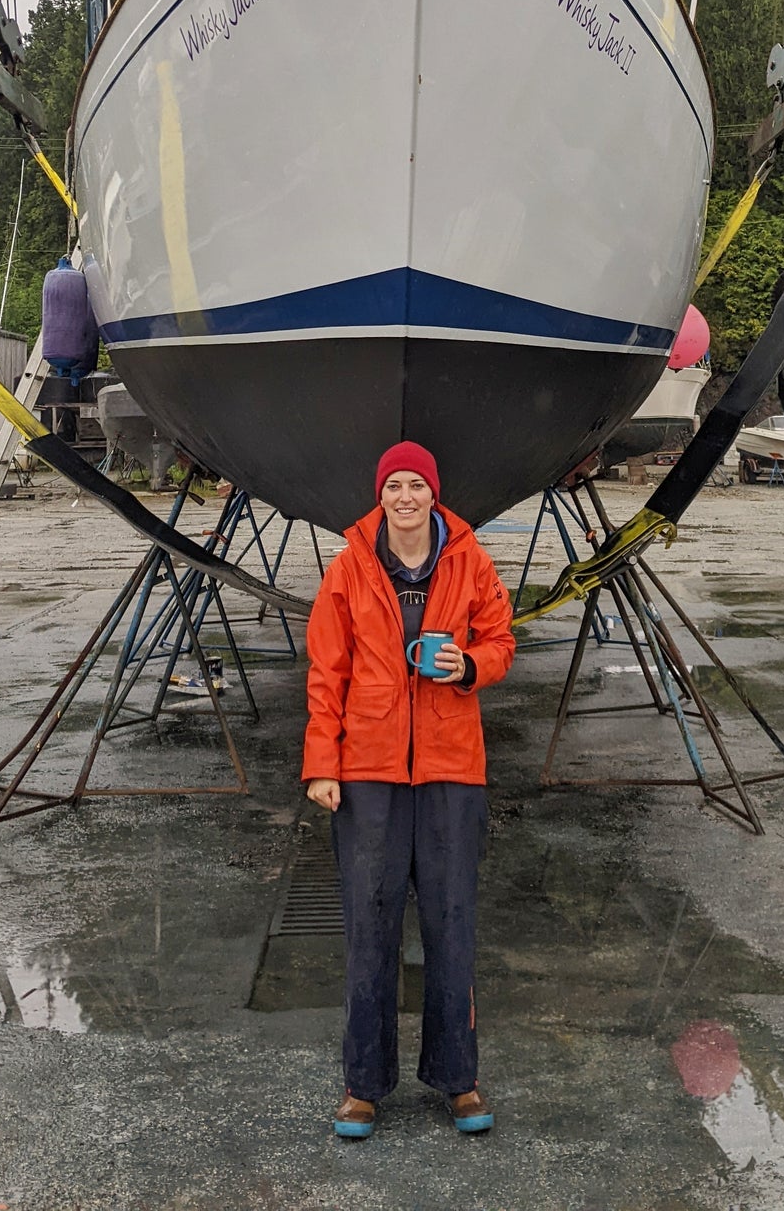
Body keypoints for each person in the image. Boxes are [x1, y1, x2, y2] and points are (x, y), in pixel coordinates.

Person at [303, 439, 515, 1140]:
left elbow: (502, 640)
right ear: (381, 494)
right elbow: (326, 671)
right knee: (370, 927)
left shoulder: (469, 560)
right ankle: (363, 1086)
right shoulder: (349, 568)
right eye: (393, 485)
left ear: (433, 493)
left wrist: (468, 666)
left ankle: (459, 1080)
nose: (404, 498)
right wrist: (322, 765)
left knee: (452, 925)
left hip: (453, 767)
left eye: (415, 486)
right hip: (369, 770)